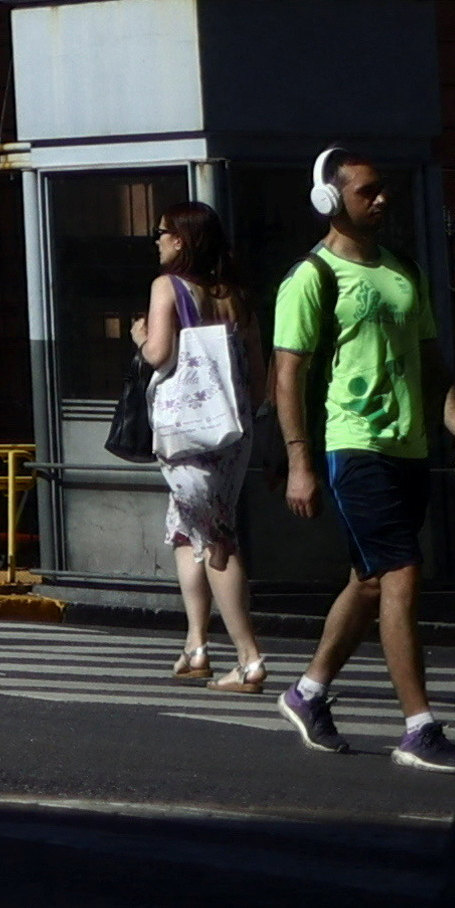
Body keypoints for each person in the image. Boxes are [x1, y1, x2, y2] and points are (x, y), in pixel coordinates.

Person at [275, 145, 455, 772]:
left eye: (383, 189)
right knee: (401, 573)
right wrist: (299, 461)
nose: (381, 199)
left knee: (367, 582)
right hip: (354, 446)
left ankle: (307, 692)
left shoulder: (401, 270)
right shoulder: (312, 277)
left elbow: (429, 361)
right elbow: (287, 375)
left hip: (410, 447)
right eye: (366, 191)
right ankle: (419, 727)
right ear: (330, 200)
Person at [139, 197, 271, 691]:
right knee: (185, 529)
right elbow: (258, 379)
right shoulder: (237, 296)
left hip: (187, 434)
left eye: (161, 232)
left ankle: (249, 657)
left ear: (180, 240)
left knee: (216, 539)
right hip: (232, 432)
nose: (156, 240)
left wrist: (138, 336)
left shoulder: (167, 287)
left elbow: (158, 353)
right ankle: (196, 644)